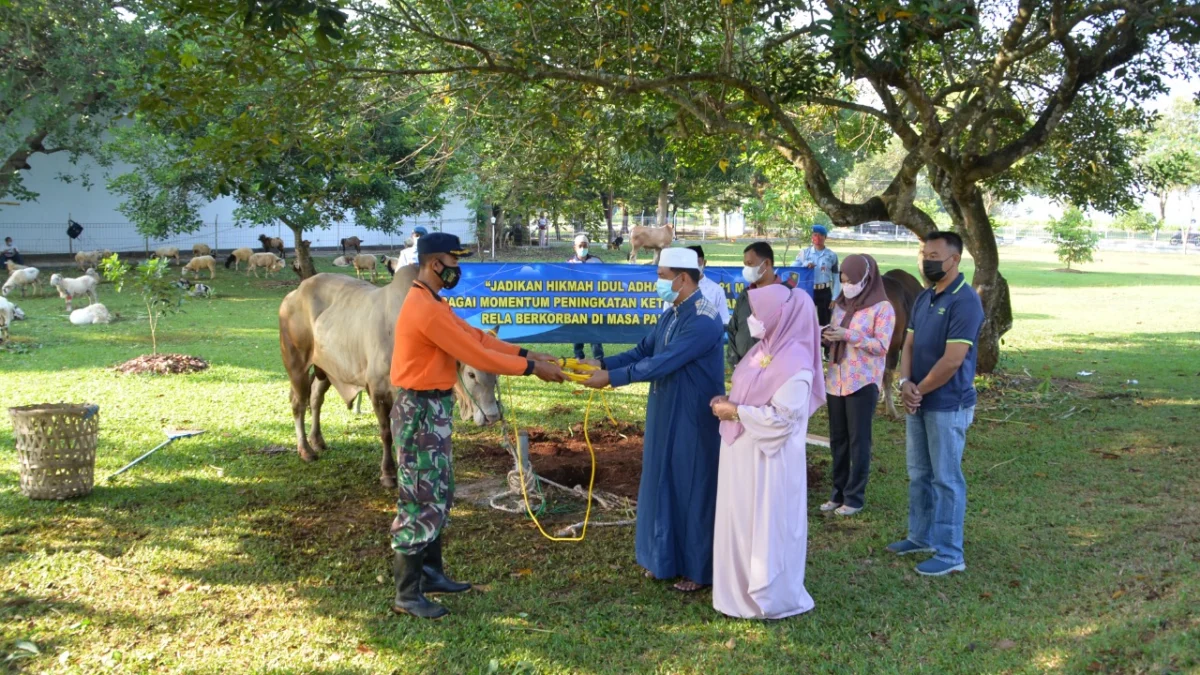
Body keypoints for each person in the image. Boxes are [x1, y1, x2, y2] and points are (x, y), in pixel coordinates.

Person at [389, 232, 565, 618]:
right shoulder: (424, 308)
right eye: (453, 262)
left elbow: (477, 337)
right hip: (419, 409)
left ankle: (431, 574)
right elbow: (472, 353)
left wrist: (526, 352)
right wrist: (532, 369)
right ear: (435, 264)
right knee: (420, 498)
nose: (457, 269)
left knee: (438, 491)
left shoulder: (433, 301)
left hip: (432, 407)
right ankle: (407, 593)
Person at [580, 247, 725, 593]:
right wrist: (603, 365)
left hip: (692, 416)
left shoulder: (704, 319)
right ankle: (662, 559)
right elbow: (644, 350)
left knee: (692, 487)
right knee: (660, 481)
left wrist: (615, 378)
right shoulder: (672, 313)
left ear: (683, 278)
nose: (657, 282)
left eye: (662, 276)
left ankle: (698, 569)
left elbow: (662, 362)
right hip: (664, 410)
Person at [710, 284, 825, 619]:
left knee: (766, 525)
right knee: (741, 522)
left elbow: (783, 420)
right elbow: (745, 390)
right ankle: (735, 592)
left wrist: (736, 412)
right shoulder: (764, 349)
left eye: (759, 314)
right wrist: (727, 403)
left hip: (769, 465)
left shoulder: (797, 364)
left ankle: (768, 598)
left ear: (780, 317)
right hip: (743, 458)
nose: (753, 321)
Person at [887, 231, 984, 577]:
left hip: (947, 403)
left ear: (954, 260)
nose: (926, 260)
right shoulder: (925, 297)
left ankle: (949, 552)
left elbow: (953, 360)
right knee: (919, 474)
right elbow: (908, 345)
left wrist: (919, 389)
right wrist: (904, 382)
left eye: (934, 255)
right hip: (919, 399)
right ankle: (920, 536)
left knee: (946, 478)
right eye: (923, 253)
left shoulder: (965, 301)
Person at [820, 254, 895, 517]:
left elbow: (882, 346)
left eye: (852, 280)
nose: (847, 284)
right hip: (836, 380)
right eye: (843, 279)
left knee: (858, 440)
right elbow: (836, 334)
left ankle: (854, 497)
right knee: (838, 439)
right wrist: (827, 335)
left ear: (867, 278)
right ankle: (837, 492)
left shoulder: (883, 308)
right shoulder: (840, 304)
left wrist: (849, 335)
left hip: (862, 381)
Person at [727, 242, 796, 367]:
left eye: (750, 264)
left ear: (767, 263)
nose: (746, 270)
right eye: (745, 265)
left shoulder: (787, 296)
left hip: (772, 369)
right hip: (743, 367)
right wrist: (734, 360)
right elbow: (733, 328)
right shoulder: (745, 295)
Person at [662, 246, 730, 326]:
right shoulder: (673, 289)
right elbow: (665, 321)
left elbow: (724, 321)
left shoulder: (716, 290)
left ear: (704, 263)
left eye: (697, 262)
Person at [566, 234, 605, 361]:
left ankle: (598, 359)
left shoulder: (597, 261)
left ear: (589, 246)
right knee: (577, 330)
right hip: (576, 303)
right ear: (574, 248)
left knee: (595, 331)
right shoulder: (569, 263)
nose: (583, 248)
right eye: (580, 246)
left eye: (585, 245)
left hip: (594, 302)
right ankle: (578, 357)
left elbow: (606, 278)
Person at [794, 225, 838, 327]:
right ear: (812, 237)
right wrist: (805, 264)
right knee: (805, 320)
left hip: (825, 291)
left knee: (825, 321)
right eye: (815, 235)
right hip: (808, 290)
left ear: (825, 237)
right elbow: (793, 269)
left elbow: (836, 277)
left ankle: (824, 342)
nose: (818, 238)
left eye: (821, 235)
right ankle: (807, 341)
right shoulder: (804, 253)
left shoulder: (831, 255)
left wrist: (835, 297)